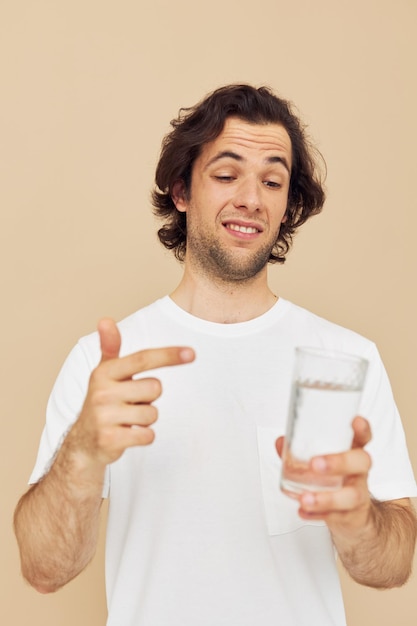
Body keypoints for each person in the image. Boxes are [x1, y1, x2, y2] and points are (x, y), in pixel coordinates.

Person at [14, 84, 417, 626]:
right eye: (227, 175)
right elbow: (44, 569)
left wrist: (359, 521)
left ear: (286, 205)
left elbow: (392, 568)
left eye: (273, 181)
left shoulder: (345, 359)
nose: (252, 198)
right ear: (182, 190)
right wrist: (81, 455)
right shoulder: (103, 365)